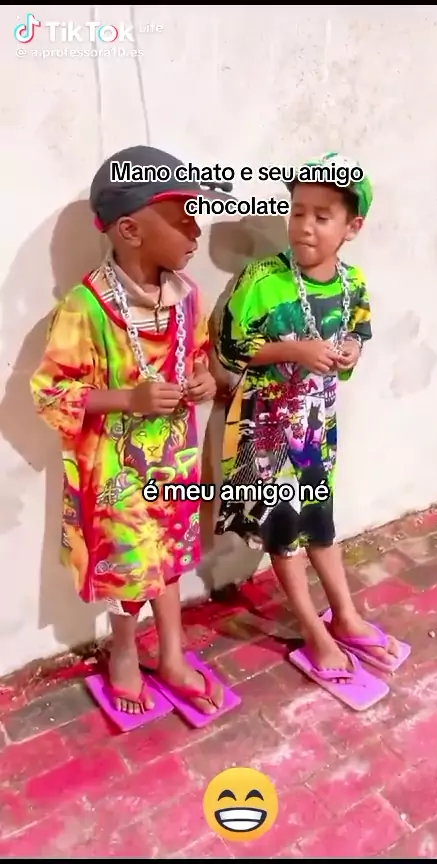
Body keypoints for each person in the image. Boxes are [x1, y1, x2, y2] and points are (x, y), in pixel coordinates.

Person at [30, 144, 228, 717]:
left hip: (175, 465)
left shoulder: (186, 297)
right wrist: (127, 399)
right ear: (130, 230)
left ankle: (172, 654)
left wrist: (203, 380)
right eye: (183, 217)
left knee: (169, 556)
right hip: (116, 477)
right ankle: (123, 651)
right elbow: (50, 392)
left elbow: (199, 354)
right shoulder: (87, 308)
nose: (196, 231)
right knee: (128, 569)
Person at [214, 153, 403, 692]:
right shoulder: (263, 279)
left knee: (319, 522)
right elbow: (229, 346)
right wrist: (293, 349)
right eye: (297, 211)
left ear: (352, 227)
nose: (304, 226)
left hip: (317, 430)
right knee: (284, 531)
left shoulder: (352, 283)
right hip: (265, 432)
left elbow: (359, 331)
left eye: (322, 216)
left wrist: (351, 350)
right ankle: (312, 630)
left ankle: (345, 615)